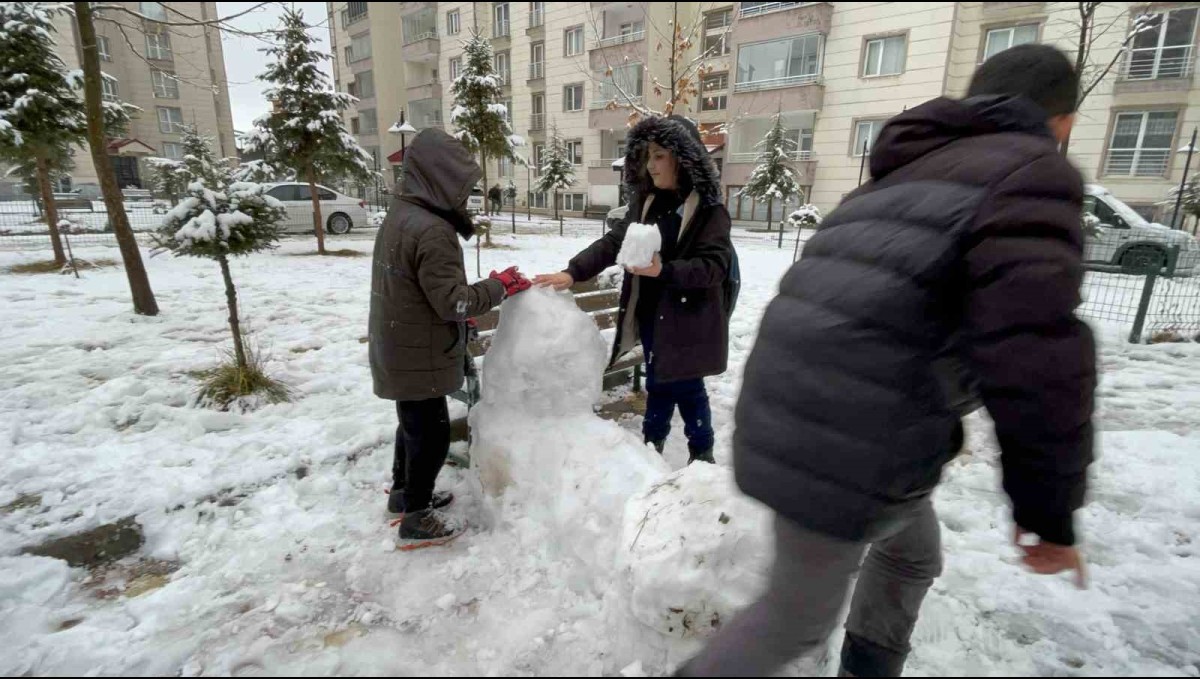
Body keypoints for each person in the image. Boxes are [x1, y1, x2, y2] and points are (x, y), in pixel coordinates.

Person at [681, 44, 1095, 677]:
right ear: (1061, 120)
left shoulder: (903, 174)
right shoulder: (1030, 172)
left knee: (910, 556)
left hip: (813, 409)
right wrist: (1050, 510)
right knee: (795, 617)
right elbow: (1034, 352)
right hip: (849, 434)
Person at [534, 115, 734, 465]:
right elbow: (614, 242)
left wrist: (664, 270)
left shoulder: (708, 210)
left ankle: (701, 452)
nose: (650, 165)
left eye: (659, 156)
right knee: (659, 380)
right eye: (646, 156)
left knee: (687, 387)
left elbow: (715, 268)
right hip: (654, 316)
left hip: (689, 320)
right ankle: (651, 448)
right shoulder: (647, 203)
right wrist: (572, 272)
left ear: (682, 158)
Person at [369, 129, 531, 548]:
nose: (466, 197)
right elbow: (453, 302)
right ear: (440, 180)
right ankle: (416, 518)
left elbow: (420, 292)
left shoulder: (401, 214)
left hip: (400, 343)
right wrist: (499, 286)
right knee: (433, 434)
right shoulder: (433, 231)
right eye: (461, 188)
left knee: (412, 425)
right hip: (418, 351)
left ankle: (405, 494)